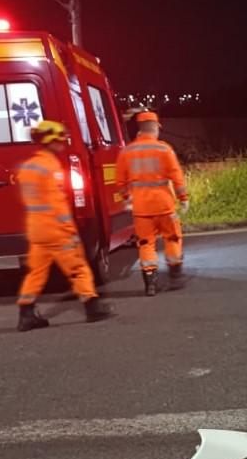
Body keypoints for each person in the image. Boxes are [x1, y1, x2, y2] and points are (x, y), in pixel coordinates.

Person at [15, 120, 113, 332]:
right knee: (78, 268)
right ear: (50, 140)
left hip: (37, 229)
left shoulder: (29, 167)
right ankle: (92, 307)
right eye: (60, 139)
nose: (63, 143)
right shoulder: (50, 166)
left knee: (36, 273)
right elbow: (56, 204)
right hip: (56, 230)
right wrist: (71, 232)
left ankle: (26, 313)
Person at [115, 110, 189, 296]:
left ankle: (150, 284)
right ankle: (175, 275)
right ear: (155, 128)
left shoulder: (127, 152)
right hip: (164, 205)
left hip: (141, 209)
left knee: (146, 244)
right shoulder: (164, 149)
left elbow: (120, 182)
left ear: (140, 129)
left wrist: (127, 198)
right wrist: (183, 199)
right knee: (172, 238)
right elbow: (177, 177)